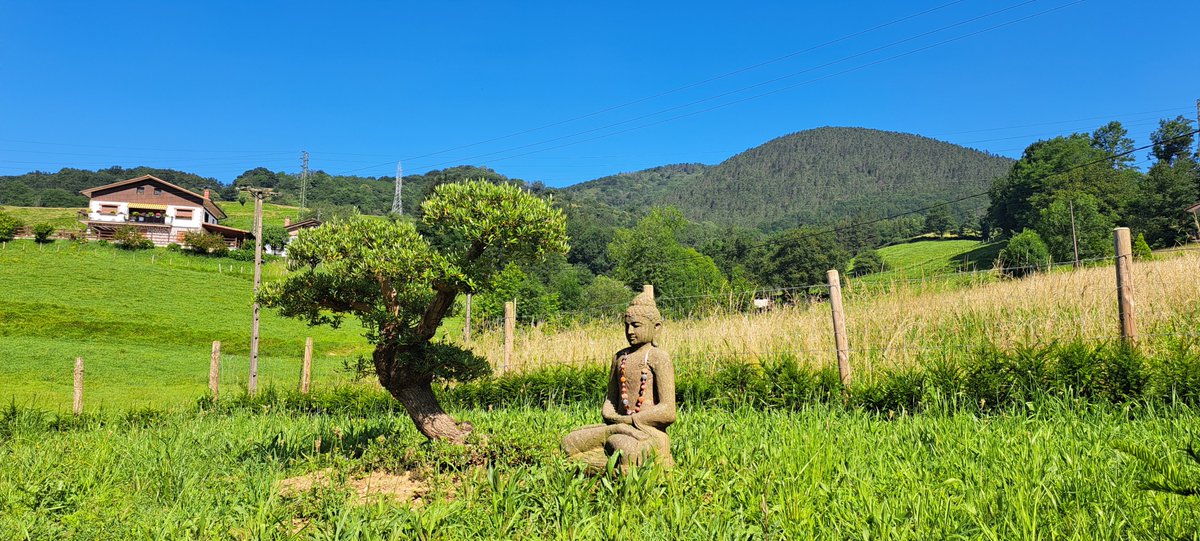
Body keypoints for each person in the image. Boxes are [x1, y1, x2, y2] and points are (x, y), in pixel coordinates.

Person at [562, 288, 675, 470]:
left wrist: (629, 422)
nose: (630, 331)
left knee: (625, 448)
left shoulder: (658, 357)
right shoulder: (619, 357)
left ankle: (597, 466)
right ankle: (605, 464)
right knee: (570, 441)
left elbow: (668, 411)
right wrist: (613, 419)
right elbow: (611, 399)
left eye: (636, 325)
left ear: (656, 327)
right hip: (617, 427)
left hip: (647, 432)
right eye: (626, 325)